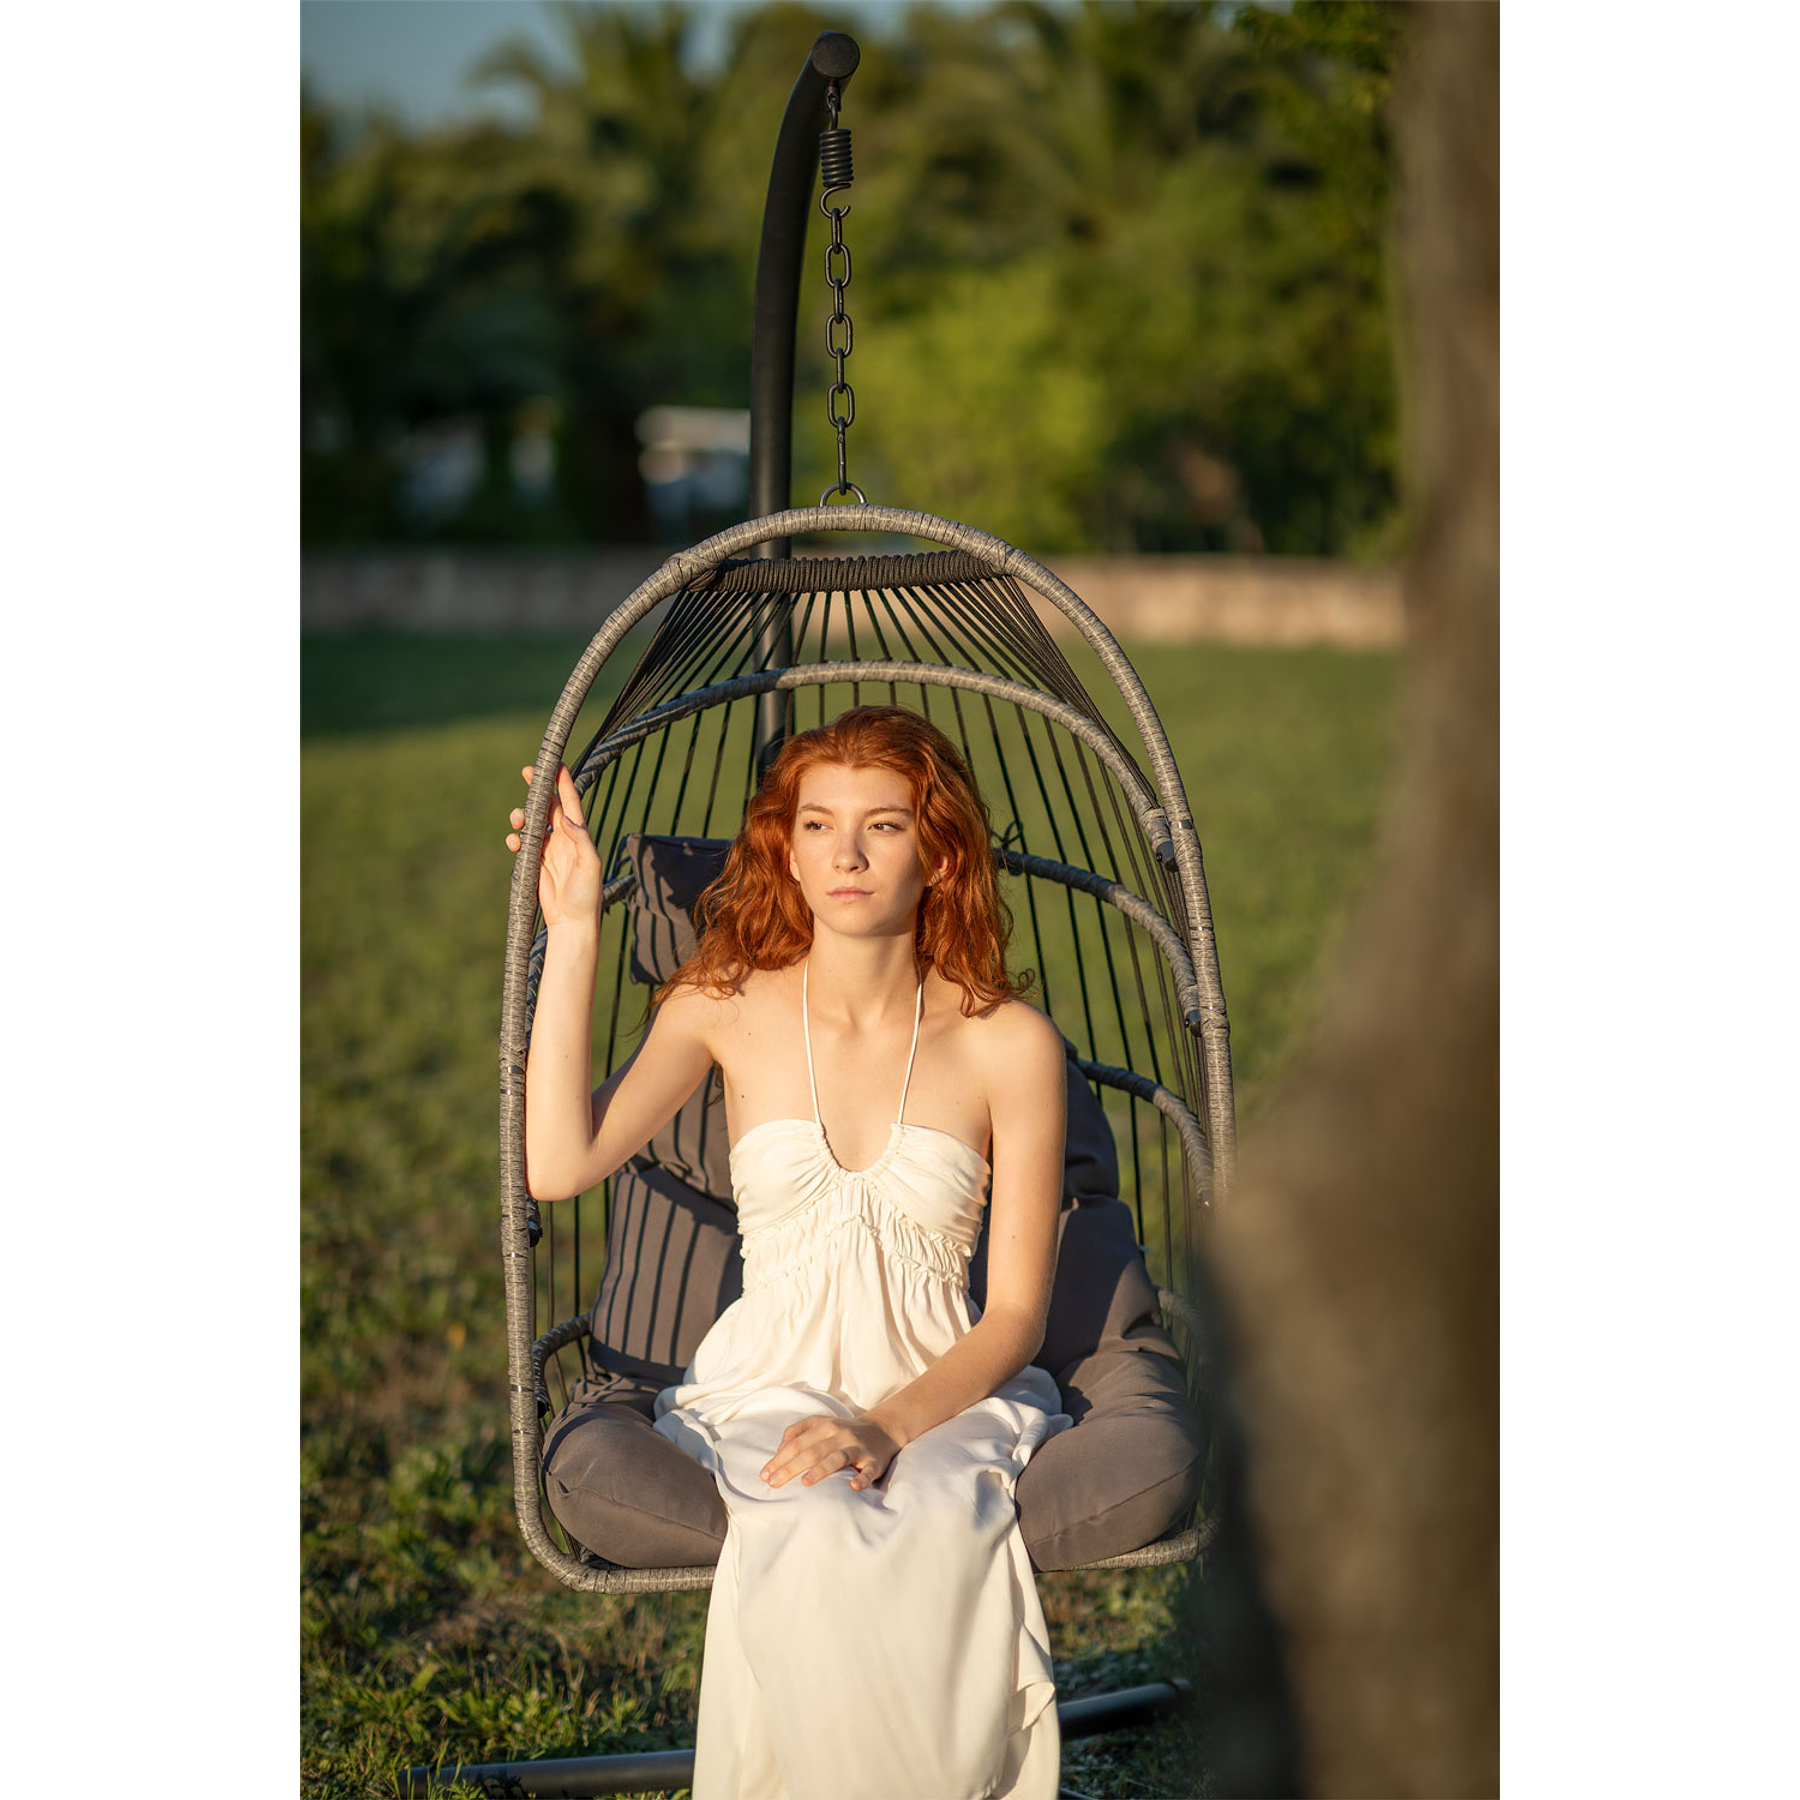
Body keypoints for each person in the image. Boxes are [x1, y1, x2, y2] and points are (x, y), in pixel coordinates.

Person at [507, 704, 1073, 1800]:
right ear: (785, 845)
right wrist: (572, 930)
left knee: (934, 1525)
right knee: (812, 1525)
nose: (845, 856)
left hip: (944, 1393)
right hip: (767, 1384)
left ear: (939, 849)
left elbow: (1015, 1317)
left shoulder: (1010, 1042)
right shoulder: (725, 1004)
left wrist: (885, 1425)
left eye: (882, 826)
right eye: (816, 825)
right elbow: (558, 1164)